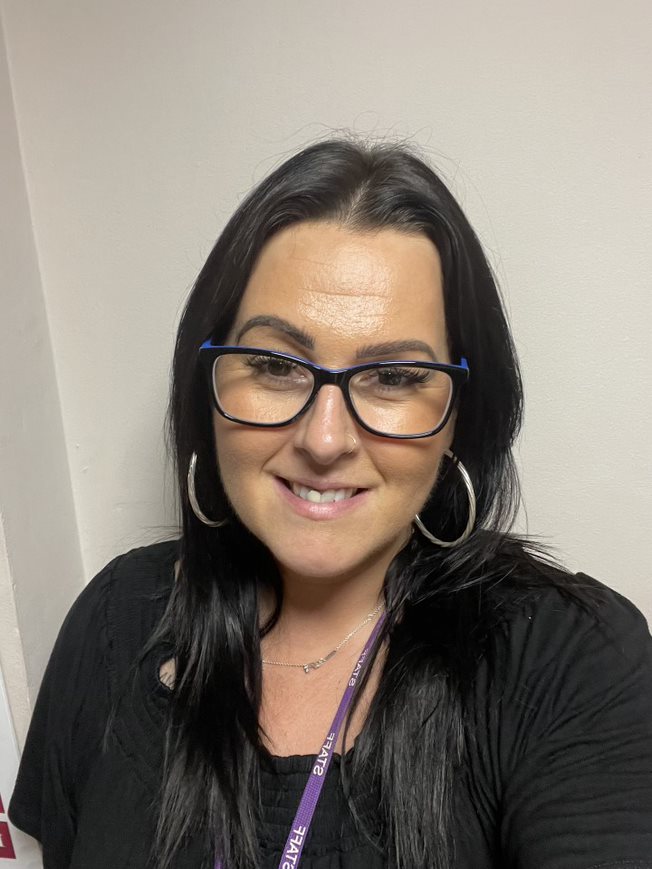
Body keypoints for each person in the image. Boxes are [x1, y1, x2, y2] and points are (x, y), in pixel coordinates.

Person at [8, 139, 652, 869]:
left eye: (395, 376)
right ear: (206, 388)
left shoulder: (570, 662)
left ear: (460, 418)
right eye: (275, 365)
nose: (324, 439)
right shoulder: (112, 621)